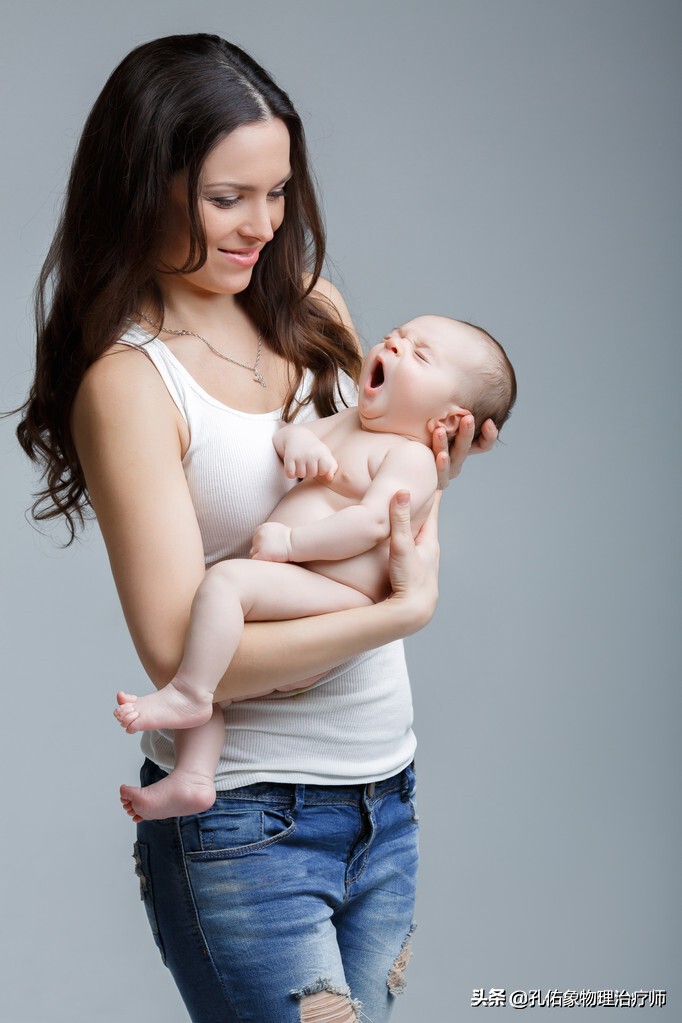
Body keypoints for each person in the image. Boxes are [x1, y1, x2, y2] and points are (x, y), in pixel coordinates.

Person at [16, 33, 498, 1023]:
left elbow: (370, 504)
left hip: (385, 797)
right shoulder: (130, 381)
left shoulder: (312, 307)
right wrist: (397, 616)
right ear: (143, 186)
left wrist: (433, 471)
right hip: (245, 820)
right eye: (226, 198)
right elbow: (179, 651)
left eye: (276, 193)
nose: (261, 227)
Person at [114, 314, 516, 823]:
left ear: (449, 421)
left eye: (419, 355)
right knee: (206, 641)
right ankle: (194, 777)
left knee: (225, 583)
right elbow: (292, 436)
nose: (394, 344)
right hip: (300, 594)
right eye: (398, 335)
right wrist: (298, 444)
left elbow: (372, 522)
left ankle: (191, 694)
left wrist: (292, 542)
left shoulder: (410, 458)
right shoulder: (352, 422)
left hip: (336, 597)